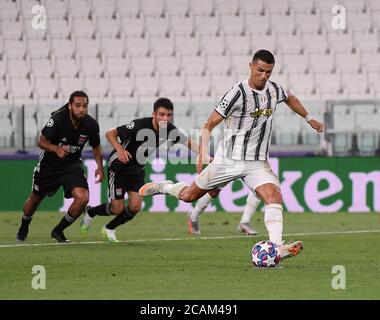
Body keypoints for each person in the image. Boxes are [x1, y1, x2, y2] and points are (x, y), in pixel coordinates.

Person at [139, 50, 324, 261]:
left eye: (269, 72)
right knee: (188, 196)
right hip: (228, 160)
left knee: (274, 197)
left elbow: (290, 98)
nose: (264, 76)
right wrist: (201, 154)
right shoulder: (237, 92)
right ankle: (165, 187)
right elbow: (209, 124)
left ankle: (277, 248)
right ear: (251, 66)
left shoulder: (274, 90)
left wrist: (309, 118)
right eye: (260, 70)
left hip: (256, 162)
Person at [79, 97, 199, 242]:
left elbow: (189, 143)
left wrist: (206, 155)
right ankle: (91, 211)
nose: (165, 118)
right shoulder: (139, 125)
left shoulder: (169, 129)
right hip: (118, 166)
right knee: (117, 208)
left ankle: (109, 228)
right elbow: (110, 133)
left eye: (168, 115)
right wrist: (120, 150)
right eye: (162, 114)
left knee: (135, 206)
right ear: (154, 114)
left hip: (136, 169)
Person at [16, 91, 104, 243]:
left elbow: (96, 146)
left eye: (84, 106)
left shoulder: (91, 125)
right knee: (34, 202)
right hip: (49, 167)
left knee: (83, 198)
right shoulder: (57, 119)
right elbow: (41, 141)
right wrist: (56, 149)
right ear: (70, 106)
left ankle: (58, 230)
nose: (82, 109)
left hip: (71, 166)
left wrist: (99, 167)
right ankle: (24, 225)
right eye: (78, 106)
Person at [188, 188, 261, 236]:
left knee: (258, 186)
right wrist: (200, 163)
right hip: (228, 165)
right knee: (214, 191)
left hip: (249, 165)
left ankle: (245, 222)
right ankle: (194, 216)